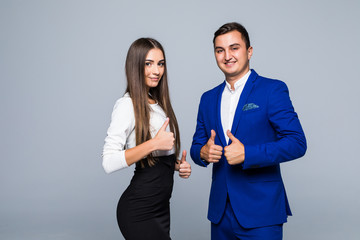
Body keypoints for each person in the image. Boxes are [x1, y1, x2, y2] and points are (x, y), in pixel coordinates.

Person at [190, 22, 307, 240]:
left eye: (234, 48)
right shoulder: (207, 99)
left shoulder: (272, 89)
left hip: (261, 212)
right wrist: (203, 153)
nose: (227, 56)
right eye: (220, 50)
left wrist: (248, 154)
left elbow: (297, 142)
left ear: (249, 51)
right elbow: (197, 147)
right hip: (220, 214)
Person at [102, 38, 191, 240]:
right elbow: (108, 162)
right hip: (139, 210)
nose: (156, 71)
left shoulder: (157, 103)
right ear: (135, 66)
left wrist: (176, 165)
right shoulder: (127, 104)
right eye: (148, 64)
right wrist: (153, 144)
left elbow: (155, 158)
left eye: (160, 64)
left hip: (160, 209)